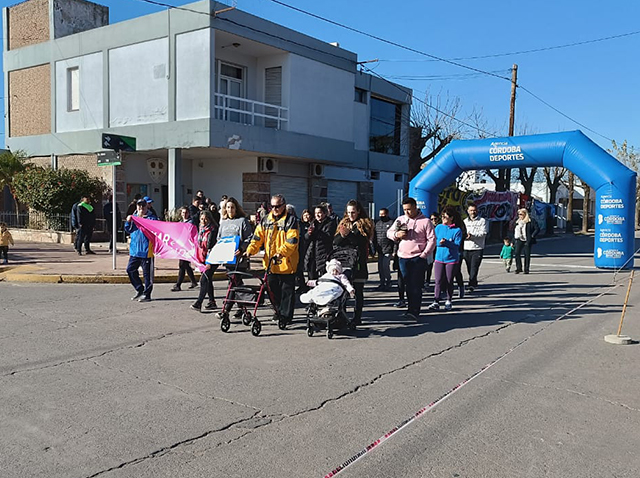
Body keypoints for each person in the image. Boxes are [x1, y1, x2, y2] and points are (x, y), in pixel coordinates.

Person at [245, 194, 299, 325]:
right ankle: (278, 311)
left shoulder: (291, 220)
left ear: (284, 206)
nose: (274, 209)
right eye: (272, 206)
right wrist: (249, 251)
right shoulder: (265, 220)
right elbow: (257, 238)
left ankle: (286, 317)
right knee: (272, 290)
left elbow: (292, 241)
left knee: (287, 292)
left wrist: (281, 253)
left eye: (277, 206)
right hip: (270, 264)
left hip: (287, 263)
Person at [387, 197, 436, 320]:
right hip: (403, 256)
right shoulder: (400, 220)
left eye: (409, 209)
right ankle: (409, 308)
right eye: (404, 210)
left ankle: (415, 310)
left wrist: (424, 254)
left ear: (415, 207)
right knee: (407, 284)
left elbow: (432, 240)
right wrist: (396, 235)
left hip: (418, 257)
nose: (407, 212)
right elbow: (389, 232)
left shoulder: (425, 221)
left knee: (416, 285)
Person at [333, 199, 373, 325]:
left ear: (358, 211)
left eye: (353, 212)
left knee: (358, 291)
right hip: (345, 260)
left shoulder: (364, 224)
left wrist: (349, 235)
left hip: (358, 261)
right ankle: (342, 316)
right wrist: (344, 235)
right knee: (342, 290)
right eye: (349, 212)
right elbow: (336, 241)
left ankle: (357, 316)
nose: (351, 215)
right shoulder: (343, 223)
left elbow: (360, 241)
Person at [216, 197, 254, 318]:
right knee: (235, 283)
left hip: (239, 259)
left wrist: (242, 249)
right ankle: (243, 309)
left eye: (232, 207)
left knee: (233, 283)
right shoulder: (223, 223)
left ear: (236, 208)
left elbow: (249, 238)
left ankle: (226, 310)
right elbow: (219, 239)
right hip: (228, 259)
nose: (230, 209)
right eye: (228, 207)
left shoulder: (242, 221)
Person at [428, 206, 463, 311]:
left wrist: (447, 242)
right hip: (439, 258)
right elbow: (434, 241)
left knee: (449, 280)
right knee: (438, 281)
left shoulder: (457, 230)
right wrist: (440, 242)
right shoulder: (438, 227)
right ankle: (436, 301)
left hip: (451, 259)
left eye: (445, 217)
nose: (443, 218)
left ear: (451, 218)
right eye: (442, 216)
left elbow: (457, 245)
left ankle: (449, 300)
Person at [124, 198, 158, 302]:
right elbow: (128, 229)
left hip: (147, 251)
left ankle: (147, 294)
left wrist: (142, 219)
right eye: (139, 206)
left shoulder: (151, 218)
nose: (141, 208)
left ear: (146, 206)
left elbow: (155, 228)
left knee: (147, 275)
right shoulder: (134, 217)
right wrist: (128, 221)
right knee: (130, 270)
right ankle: (139, 289)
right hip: (135, 251)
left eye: (143, 206)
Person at [191, 210, 219, 311]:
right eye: (202, 219)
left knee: (204, 280)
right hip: (203, 258)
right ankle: (212, 302)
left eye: (206, 219)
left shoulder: (213, 230)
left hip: (212, 258)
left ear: (210, 219)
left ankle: (199, 303)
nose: (204, 221)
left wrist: (209, 262)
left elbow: (211, 246)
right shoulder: (201, 229)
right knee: (208, 279)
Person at [305, 204, 337, 280]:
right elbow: (306, 238)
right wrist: (309, 233)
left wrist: (316, 231)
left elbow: (328, 236)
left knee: (324, 278)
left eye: (319, 213)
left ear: (324, 213)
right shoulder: (313, 223)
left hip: (324, 253)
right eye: (316, 213)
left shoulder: (330, 223)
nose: (317, 215)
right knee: (312, 279)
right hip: (312, 254)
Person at [171, 207, 199, 292]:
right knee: (185, 265)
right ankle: (193, 282)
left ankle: (178, 284)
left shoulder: (191, 223)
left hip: (188, 247)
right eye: (183, 212)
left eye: (186, 212)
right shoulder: (180, 223)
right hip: (181, 246)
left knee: (182, 265)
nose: (184, 214)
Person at [463, 203, 488, 292]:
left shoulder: (482, 221)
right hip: (466, 247)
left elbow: (483, 233)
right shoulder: (465, 221)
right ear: (468, 211)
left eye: (474, 210)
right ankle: (474, 280)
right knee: (469, 267)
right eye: (471, 210)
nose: (473, 212)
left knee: (474, 266)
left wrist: (473, 236)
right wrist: (465, 236)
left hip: (477, 248)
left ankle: (471, 284)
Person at [373, 208, 395, 291]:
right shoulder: (377, 224)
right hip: (380, 250)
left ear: (387, 214)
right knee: (380, 267)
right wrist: (374, 249)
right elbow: (375, 237)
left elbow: (394, 239)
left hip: (388, 249)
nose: (381, 216)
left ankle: (388, 281)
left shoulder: (391, 223)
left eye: (383, 214)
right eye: (380, 214)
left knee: (385, 266)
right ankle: (382, 282)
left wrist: (394, 250)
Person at [514, 208, 540, 274]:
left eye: (521, 214)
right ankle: (519, 268)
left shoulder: (531, 221)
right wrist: (512, 241)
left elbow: (537, 229)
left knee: (527, 254)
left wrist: (532, 236)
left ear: (525, 214)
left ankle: (526, 269)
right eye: (519, 214)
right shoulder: (518, 222)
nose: (520, 216)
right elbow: (514, 232)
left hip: (527, 239)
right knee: (517, 253)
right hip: (519, 239)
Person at [425, 211, 440, 290]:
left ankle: (430, 280)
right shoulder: (429, 226)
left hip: (437, 248)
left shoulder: (440, 226)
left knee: (436, 266)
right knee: (428, 265)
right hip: (430, 248)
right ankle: (426, 281)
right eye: (432, 219)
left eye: (435, 219)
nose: (433, 220)